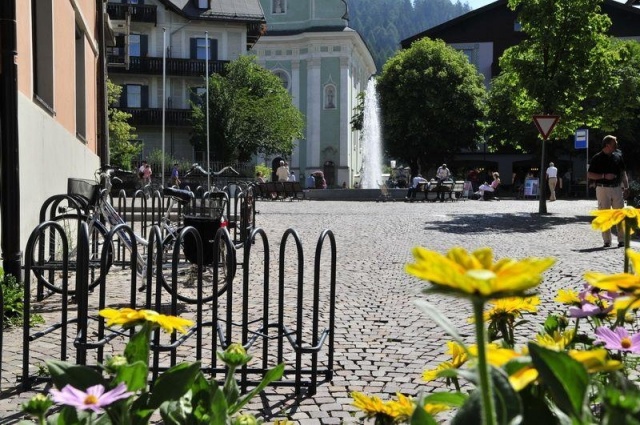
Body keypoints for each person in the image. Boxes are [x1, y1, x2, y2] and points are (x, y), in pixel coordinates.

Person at [587, 135, 629, 248]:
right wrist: (604, 176)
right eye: (615, 143)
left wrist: (626, 186)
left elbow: (623, 173)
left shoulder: (618, 156)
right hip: (602, 188)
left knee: (620, 214)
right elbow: (590, 174)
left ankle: (621, 240)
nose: (616, 144)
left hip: (616, 188)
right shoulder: (597, 158)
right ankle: (607, 241)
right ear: (608, 145)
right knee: (605, 215)